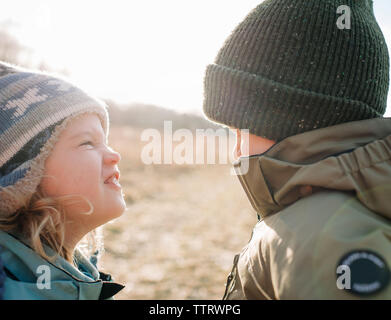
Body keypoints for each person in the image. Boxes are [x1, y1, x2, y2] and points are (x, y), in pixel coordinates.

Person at [203, 0, 391, 299]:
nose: (235, 147)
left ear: (289, 121)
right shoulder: (312, 214)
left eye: (240, 128)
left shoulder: (322, 237)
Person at [0, 61, 126, 299]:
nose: (114, 155)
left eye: (105, 142)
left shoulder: (76, 277)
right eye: (87, 143)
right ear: (24, 176)